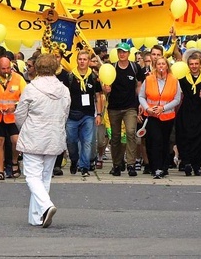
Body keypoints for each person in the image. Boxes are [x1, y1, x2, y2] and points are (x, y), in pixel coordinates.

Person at [15, 53, 71, 228]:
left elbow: (19, 114)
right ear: (55, 68)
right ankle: (37, 216)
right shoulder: (64, 90)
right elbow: (65, 114)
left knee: (32, 176)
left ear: (37, 68)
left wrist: (23, 129)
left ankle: (46, 206)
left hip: (34, 134)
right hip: (54, 135)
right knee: (45, 177)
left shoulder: (31, 88)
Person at [102, 42, 145, 177]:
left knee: (131, 133)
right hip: (114, 107)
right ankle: (117, 164)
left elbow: (139, 85)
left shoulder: (135, 67)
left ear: (128, 54)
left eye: (124, 52)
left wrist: (140, 102)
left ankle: (131, 164)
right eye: (120, 51)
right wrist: (106, 89)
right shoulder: (112, 68)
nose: (122, 54)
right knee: (115, 137)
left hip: (130, 107)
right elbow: (105, 85)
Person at [138, 56, 182, 179]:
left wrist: (164, 108)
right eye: (158, 64)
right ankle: (156, 167)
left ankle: (163, 167)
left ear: (167, 66)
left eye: (163, 64)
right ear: (155, 66)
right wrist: (147, 108)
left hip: (167, 116)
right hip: (152, 115)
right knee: (155, 141)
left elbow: (177, 99)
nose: (161, 66)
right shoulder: (149, 79)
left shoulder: (174, 80)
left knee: (165, 142)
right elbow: (141, 96)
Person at [175, 49, 201, 176]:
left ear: (200, 64)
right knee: (185, 137)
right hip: (186, 112)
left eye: (196, 64)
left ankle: (196, 165)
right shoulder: (182, 80)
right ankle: (186, 162)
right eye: (191, 64)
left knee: (199, 139)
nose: (194, 66)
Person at [64, 50, 102, 178]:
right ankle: (74, 160)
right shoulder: (70, 76)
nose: (82, 61)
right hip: (72, 115)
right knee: (71, 141)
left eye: (85, 59)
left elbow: (97, 96)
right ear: (77, 60)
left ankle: (84, 167)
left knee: (87, 141)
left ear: (89, 61)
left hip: (88, 115)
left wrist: (99, 114)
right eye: (80, 59)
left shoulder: (94, 77)